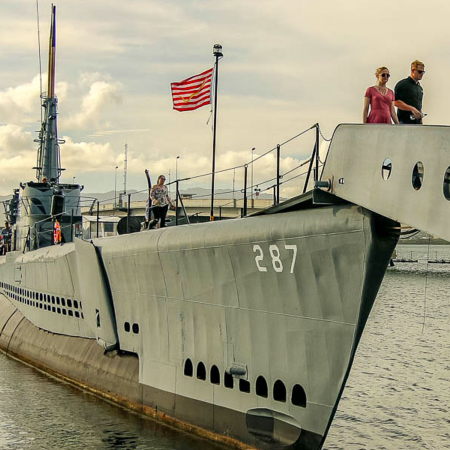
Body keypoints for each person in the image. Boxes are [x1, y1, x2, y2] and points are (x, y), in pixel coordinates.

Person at [394, 60, 425, 124]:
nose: (421, 74)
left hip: (417, 123)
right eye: (420, 72)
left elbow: (419, 106)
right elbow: (396, 102)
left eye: (423, 72)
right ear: (413, 71)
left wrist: (421, 120)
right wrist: (411, 108)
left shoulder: (420, 88)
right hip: (404, 121)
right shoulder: (402, 84)